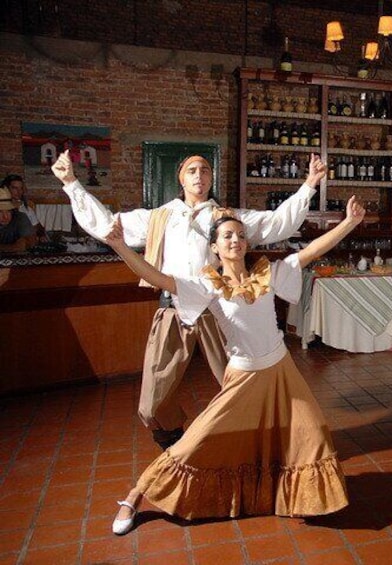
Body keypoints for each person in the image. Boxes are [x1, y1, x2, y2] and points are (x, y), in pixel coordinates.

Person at [107, 195, 365, 535]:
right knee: (195, 441)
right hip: (243, 377)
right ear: (214, 246)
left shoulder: (268, 273)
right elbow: (159, 279)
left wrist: (349, 223)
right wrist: (119, 246)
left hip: (282, 371)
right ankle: (136, 494)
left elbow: (312, 252)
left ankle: (298, 497)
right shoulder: (206, 285)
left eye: (241, 236)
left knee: (312, 433)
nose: (236, 241)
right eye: (227, 236)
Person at [51, 149, 324, 450]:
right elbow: (106, 225)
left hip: (220, 311)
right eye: (192, 170)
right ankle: (175, 444)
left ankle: (258, 442)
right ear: (180, 178)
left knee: (240, 386)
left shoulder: (228, 218)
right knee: (153, 401)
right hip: (174, 309)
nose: (199, 175)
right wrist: (71, 184)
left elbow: (277, 224)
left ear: (211, 178)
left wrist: (309, 184)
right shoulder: (158, 218)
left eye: (205, 170)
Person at [2, 174, 46, 240]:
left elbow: (38, 227)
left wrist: (41, 235)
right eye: (15, 188)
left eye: (21, 188)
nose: (19, 191)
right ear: (6, 189)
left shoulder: (26, 209)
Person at [0, 186, 37, 253]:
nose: (5, 217)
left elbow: (29, 241)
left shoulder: (20, 217)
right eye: (0, 212)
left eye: (8, 211)